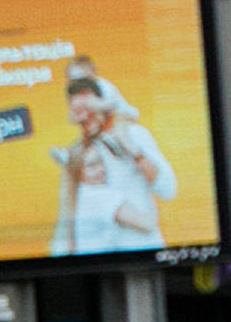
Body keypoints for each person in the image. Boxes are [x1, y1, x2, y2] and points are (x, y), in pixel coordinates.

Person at [45, 61, 176, 257]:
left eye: (88, 112)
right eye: (78, 114)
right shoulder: (80, 153)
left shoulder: (134, 135)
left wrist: (134, 152)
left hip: (142, 253)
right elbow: (68, 212)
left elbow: (168, 190)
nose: (83, 121)